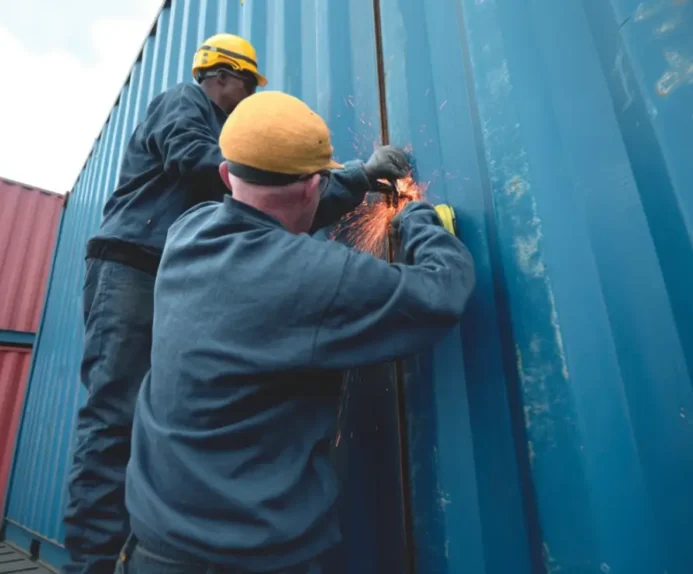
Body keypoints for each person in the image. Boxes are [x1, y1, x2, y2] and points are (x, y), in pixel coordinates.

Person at [64, 32, 410, 574]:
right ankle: (91, 566)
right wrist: (324, 171)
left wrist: (356, 181)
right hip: (133, 266)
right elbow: (215, 169)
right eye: (246, 93)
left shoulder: (227, 173)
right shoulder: (183, 104)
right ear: (224, 77)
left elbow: (270, 206)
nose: (247, 110)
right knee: (113, 420)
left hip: (176, 277)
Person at [116, 91, 476, 573]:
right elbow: (441, 291)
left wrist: (360, 177)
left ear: (226, 175)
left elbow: (268, 218)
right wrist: (419, 221)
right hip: (254, 561)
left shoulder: (189, 230)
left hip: (149, 549)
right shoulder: (316, 278)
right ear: (313, 186)